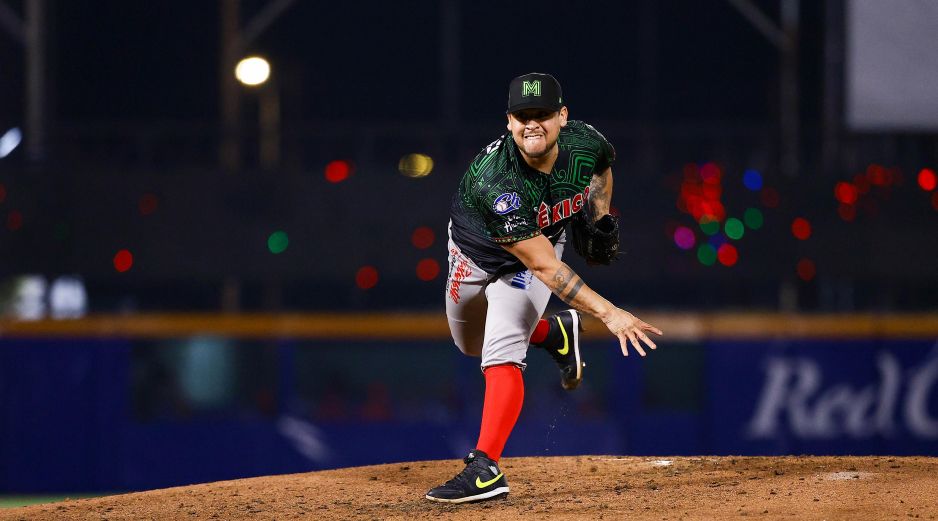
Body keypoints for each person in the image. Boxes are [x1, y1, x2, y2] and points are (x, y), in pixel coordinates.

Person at [425, 73, 663, 504]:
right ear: (509, 121)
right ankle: (553, 333)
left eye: (543, 114)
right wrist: (610, 313)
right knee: (469, 344)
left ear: (562, 116)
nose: (532, 124)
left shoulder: (585, 142)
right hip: (474, 257)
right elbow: (546, 267)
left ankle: (485, 468)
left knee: (501, 351)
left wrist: (601, 214)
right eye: (523, 116)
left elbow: (602, 167)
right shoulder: (497, 181)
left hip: (536, 252)